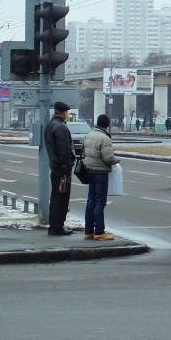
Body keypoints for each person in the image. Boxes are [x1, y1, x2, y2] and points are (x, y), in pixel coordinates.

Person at [81, 114, 118, 241]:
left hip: (89, 171)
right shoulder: (105, 138)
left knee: (90, 200)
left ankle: (88, 231)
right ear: (107, 125)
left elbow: (83, 153)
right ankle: (99, 232)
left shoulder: (88, 135)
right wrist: (116, 160)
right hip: (101, 172)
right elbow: (108, 158)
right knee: (100, 202)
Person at [44, 101, 75, 236]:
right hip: (61, 169)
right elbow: (64, 151)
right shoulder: (61, 127)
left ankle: (54, 225)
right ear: (64, 113)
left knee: (56, 197)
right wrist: (67, 171)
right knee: (61, 199)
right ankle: (57, 226)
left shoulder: (50, 125)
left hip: (55, 167)